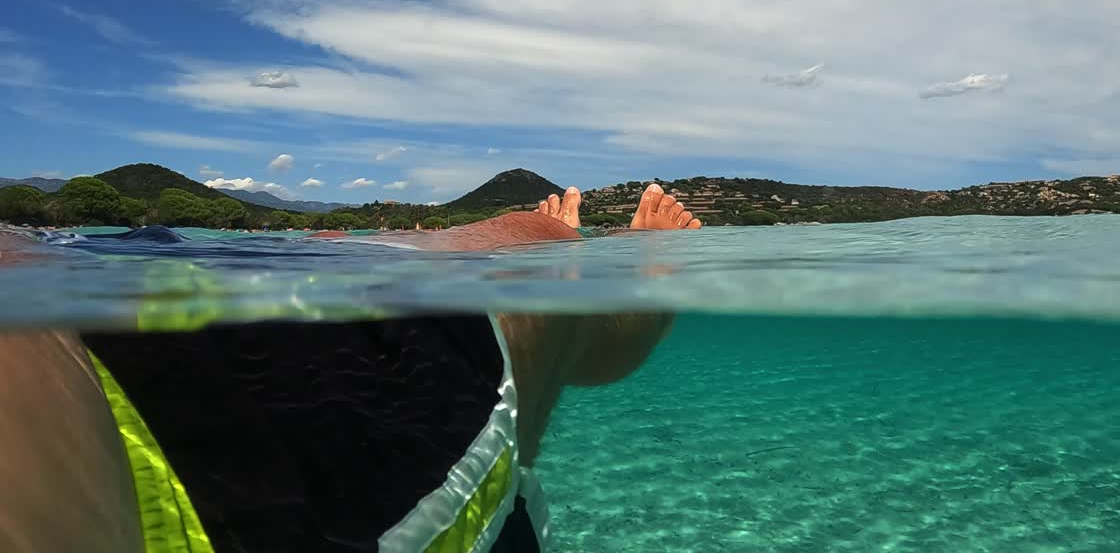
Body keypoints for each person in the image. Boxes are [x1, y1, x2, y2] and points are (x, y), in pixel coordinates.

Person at [0, 184, 700, 553]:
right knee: (532, 245)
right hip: (229, 475)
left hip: (80, 273)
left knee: (401, 248)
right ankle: (638, 264)